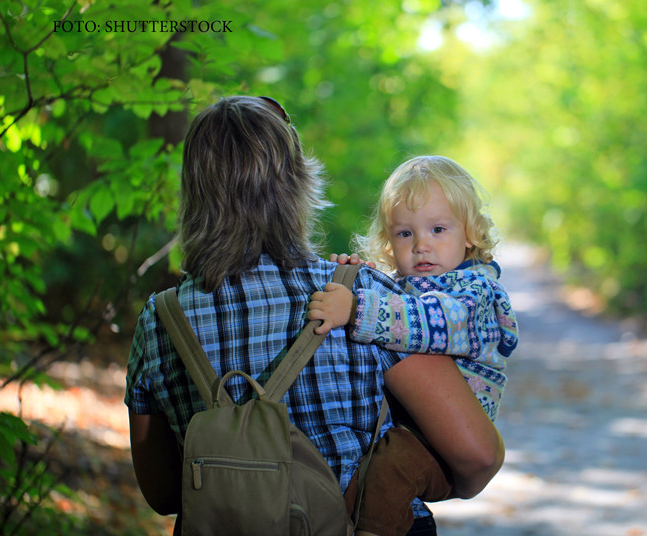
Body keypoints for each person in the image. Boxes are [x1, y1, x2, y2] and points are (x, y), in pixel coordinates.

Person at [124, 96, 505, 536]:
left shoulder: (160, 321)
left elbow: (165, 494)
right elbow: (477, 453)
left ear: (193, 194)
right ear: (297, 184)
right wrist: (447, 482)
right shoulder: (357, 298)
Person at [308, 155, 518, 536]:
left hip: (439, 445)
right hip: (403, 431)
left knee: (391, 472)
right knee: (363, 481)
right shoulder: (399, 287)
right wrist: (348, 276)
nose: (422, 245)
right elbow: (393, 304)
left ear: (469, 233)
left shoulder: (475, 295)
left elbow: (429, 322)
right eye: (405, 234)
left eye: (438, 229)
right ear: (389, 242)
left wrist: (356, 309)